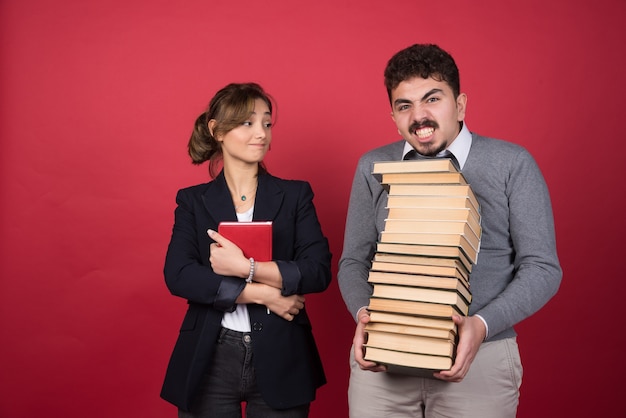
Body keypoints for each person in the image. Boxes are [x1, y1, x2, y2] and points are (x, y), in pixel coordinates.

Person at [337, 43, 562, 417]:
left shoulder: (512, 164)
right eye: (404, 105)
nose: (419, 116)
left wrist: (482, 325)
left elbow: (543, 268)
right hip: (384, 362)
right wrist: (364, 316)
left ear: (459, 105)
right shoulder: (373, 166)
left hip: (481, 360)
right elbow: (353, 261)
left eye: (432, 99)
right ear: (393, 116)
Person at [160, 82, 332, 417]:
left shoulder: (295, 195)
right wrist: (261, 294)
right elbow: (178, 274)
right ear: (217, 131)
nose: (261, 134)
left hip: (282, 353)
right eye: (247, 123)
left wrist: (246, 268)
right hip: (211, 355)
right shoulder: (193, 201)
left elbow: (318, 269)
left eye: (267, 123)